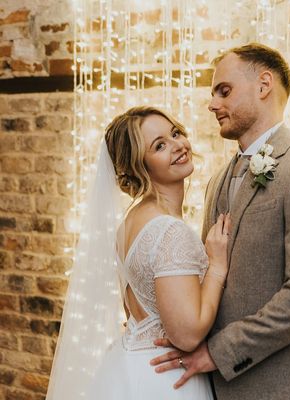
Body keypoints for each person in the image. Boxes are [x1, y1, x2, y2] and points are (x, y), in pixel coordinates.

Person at [150, 43, 290, 400]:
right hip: (217, 388)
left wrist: (219, 352)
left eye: (224, 91)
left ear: (263, 85)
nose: (212, 104)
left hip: (285, 387)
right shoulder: (215, 181)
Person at [46, 106, 231, 400]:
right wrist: (217, 266)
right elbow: (187, 335)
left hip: (128, 366)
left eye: (175, 133)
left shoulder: (130, 222)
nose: (177, 145)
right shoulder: (169, 230)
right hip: (165, 379)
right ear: (139, 166)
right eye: (159, 146)